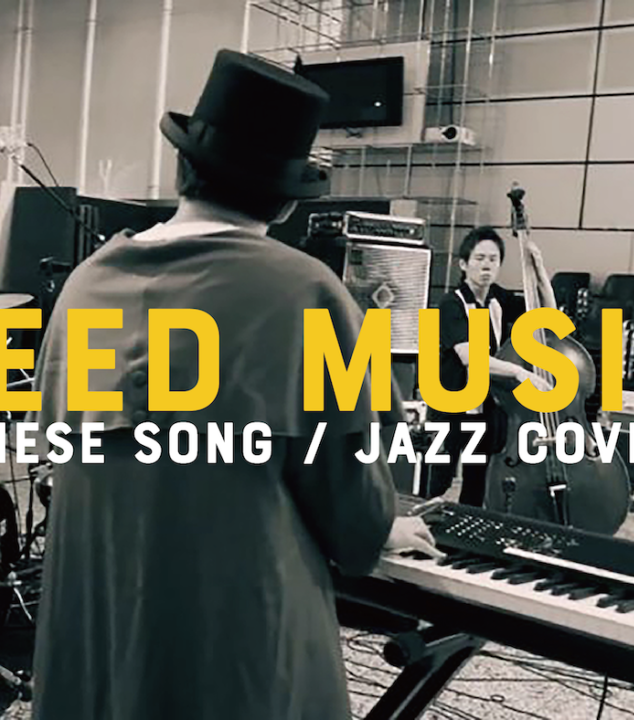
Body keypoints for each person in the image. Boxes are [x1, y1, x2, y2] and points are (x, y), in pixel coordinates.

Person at [29, 49, 442, 720]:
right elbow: (348, 487)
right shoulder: (305, 291)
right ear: (287, 199)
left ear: (182, 168)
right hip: (236, 630)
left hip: (103, 616)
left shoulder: (87, 284)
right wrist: (378, 528)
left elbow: (58, 441)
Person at [423, 225, 556, 506]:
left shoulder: (499, 298)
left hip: (488, 405)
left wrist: (539, 270)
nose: (487, 265)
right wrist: (519, 373)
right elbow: (470, 358)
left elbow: (546, 314)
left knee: (477, 484)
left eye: (493, 259)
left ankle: (466, 532)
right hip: (451, 406)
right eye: (480, 258)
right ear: (463, 264)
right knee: (438, 482)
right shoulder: (450, 304)